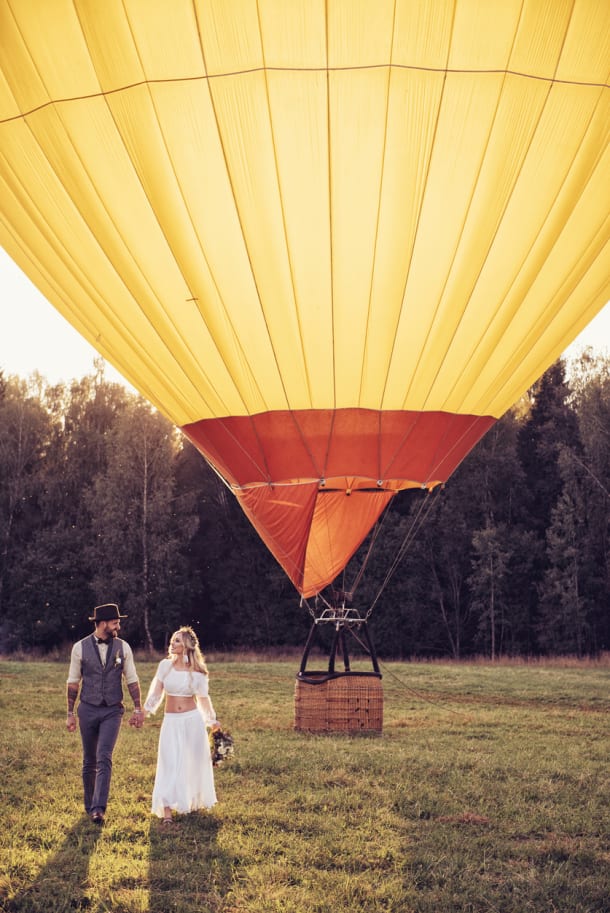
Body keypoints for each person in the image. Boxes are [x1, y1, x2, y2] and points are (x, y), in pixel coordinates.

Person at [66, 603, 144, 825]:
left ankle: (99, 808)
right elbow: (73, 683)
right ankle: (89, 805)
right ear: (102, 624)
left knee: (104, 756)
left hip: (112, 710)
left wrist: (138, 709)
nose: (118, 625)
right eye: (115, 622)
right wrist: (70, 713)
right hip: (88, 708)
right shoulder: (79, 648)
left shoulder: (123, 647)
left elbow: (132, 680)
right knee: (89, 759)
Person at [144, 626, 218, 825]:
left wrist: (212, 721)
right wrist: (145, 711)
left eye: (177, 640)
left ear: (186, 645)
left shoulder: (198, 672)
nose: (172, 643)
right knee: (169, 763)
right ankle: (167, 812)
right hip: (171, 722)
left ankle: (190, 803)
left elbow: (203, 699)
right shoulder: (165, 666)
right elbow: (156, 692)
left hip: (192, 722)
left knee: (191, 763)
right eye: (173, 640)